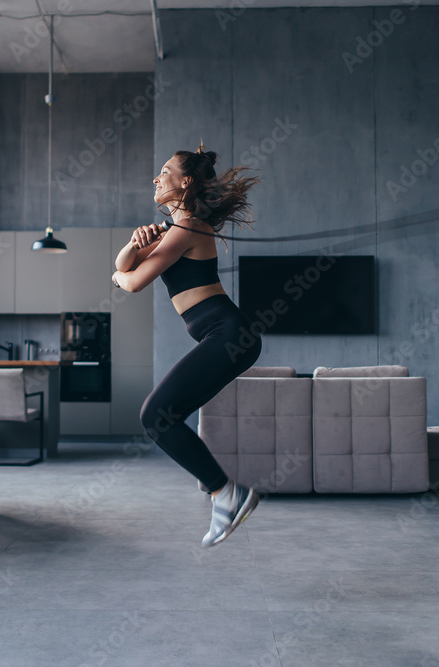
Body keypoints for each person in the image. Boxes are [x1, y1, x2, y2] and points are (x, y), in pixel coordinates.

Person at [111, 144, 262, 547]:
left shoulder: (188, 227)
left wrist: (120, 275)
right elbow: (127, 262)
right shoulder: (174, 231)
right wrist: (132, 245)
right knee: (162, 414)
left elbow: (133, 280)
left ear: (186, 181)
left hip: (228, 333)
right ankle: (225, 492)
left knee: (156, 414)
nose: (156, 178)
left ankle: (227, 493)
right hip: (227, 335)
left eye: (165, 171)